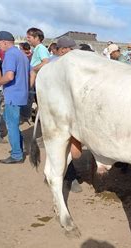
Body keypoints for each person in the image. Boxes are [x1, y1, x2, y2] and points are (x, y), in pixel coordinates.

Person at [0, 31, 29, 164]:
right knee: (11, 121)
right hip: (21, 94)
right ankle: (18, 149)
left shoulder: (10, 54)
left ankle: (17, 154)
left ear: (4, 42)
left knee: (11, 125)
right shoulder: (21, 54)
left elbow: (9, 76)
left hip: (13, 95)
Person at [47, 36, 82, 192]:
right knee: (63, 146)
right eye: (70, 49)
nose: (73, 52)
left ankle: (71, 174)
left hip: (75, 111)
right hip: (59, 112)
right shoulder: (53, 67)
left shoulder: (75, 65)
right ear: (62, 50)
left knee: (75, 149)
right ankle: (70, 177)